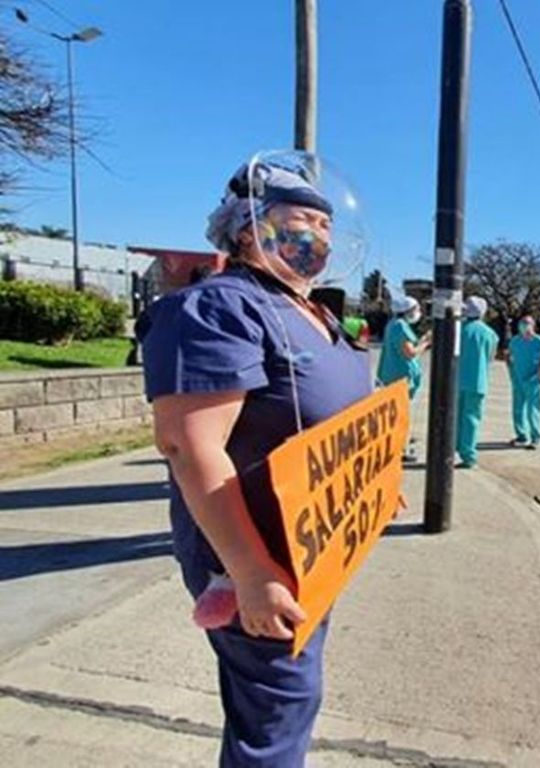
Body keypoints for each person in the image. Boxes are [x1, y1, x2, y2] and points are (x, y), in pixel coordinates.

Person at [142, 155, 371, 766]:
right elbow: (188, 444)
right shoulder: (220, 308)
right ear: (248, 227)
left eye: (324, 226)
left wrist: (366, 479)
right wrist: (251, 572)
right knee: (277, 710)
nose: (316, 237)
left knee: (281, 703)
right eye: (301, 221)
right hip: (252, 555)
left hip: (309, 547)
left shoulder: (316, 312)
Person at [377, 296, 430, 460]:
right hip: (400, 378)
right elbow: (410, 353)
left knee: (397, 414)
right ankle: (399, 450)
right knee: (400, 415)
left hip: (394, 376)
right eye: (416, 309)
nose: (418, 313)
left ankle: (399, 445)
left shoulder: (394, 325)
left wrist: (421, 340)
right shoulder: (400, 326)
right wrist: (426, 343)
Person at [456, 296, 498, 468]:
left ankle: (454, 447)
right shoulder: (490, 334)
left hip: (456, 380)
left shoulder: (458, 330)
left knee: (455, 417)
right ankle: (469, 455)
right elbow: (490, 357)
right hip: (477, 381)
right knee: (471, 418)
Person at [507, 315, 540, 448]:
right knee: (518, 409)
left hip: (533, 379)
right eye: (523, 323)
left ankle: (535, 437)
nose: (525, 326)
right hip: (518, 378)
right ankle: (521, 436)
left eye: (528, 323)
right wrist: (510, 370)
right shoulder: (515, 341)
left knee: (533, 410)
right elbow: (509, 356)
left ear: (533, 325)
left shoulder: (539, 341)